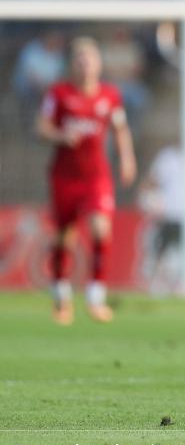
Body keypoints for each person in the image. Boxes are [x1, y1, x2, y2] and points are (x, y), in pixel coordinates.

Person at [35, 37, 137, 325]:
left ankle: (96, 297)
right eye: (80, 60)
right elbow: (41, 127)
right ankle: (61, 297)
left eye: (90, 59)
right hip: (64, 176)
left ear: (98, 64)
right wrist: (60, 135)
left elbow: (120, 129)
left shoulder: (110, 96)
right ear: (72, 65)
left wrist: (127, 158)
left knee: (100, 228)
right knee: (64, 237)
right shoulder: (58, 94)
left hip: (96, 176)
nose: (85, 65)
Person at [138, 144, 185, 296]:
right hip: (166, 216)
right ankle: (157, 286)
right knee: (160, 251)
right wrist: (149, 202)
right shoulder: (166, 157)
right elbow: (150, 182)